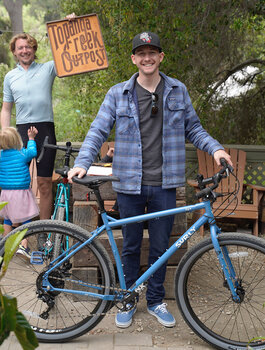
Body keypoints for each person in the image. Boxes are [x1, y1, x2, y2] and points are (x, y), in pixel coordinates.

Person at [68, 31, 232, 329]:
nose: (147, 57)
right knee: (131, 245)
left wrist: (216, 148)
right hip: (129, 184)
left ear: (160, 57)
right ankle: (129, 298)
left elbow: (194, 128)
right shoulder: (118, 93)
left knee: (160, 247)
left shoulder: (177, 90)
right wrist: (82, 163)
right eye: (141, 53)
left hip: (165, 184)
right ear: (134, 59)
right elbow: (98, 130)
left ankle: (155, 300)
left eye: (152, 52)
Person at [0, 13, 76, 220]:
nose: (24, 50)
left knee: (43, 183)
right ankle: (18, 233)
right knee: (14, 183)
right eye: (20, 48)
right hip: (20, 131)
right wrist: (3, 136)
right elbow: (6, 109)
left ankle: (45, 232)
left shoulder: (48, 68)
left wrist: (70, 27)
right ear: (14, 53)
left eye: (28, 47)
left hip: (45, 129)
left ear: (34, 49)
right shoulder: (10, 77)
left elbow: (68, 54)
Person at [0, 126, 39, 259]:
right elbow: (33, 152)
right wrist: (31, 138)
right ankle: (23, 246)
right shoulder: (22, 153)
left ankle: (6, 247)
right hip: (21, 192)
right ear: (17, 139)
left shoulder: (0, 155)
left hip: (5, 192)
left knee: (7, 219)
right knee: (26, 218)